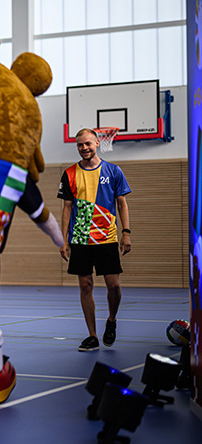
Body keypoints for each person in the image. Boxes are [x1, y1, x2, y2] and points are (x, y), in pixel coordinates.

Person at [58, 128, 132, 352]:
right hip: (80, 238)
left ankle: (111, 320)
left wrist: (126, 232)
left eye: (88, 143)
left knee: (114, 287)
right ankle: (92, 335)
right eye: (80, 145)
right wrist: (64, 240)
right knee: (85, 285)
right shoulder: (69, 173)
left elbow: (122, 204)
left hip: (107, 237)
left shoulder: (113, 170)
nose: (84, 148)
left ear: (97, 143)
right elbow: (66, 209)